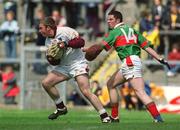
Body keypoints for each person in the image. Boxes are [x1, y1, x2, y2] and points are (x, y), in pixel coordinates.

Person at [83, 10, 170, 123]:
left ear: (118, 20)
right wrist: (160, 58)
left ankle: (158, 118)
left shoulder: (115, 32)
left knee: (140, 92)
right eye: (107, 20)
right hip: (132, 61)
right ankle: (115, 117)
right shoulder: (132, 30)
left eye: (111, 19)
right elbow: (146, 46)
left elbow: (100, 46)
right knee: (111, 84)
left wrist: (85, 49)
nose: (108, 22)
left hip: (129, 62)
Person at [38, 17, 111, 123]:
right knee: (46, 83)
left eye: (41, 28)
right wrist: (52, 59)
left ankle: (104, 116)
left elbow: (81, 42)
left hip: (78, 64)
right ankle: (61, 107)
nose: (39, 31)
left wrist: (66, 44)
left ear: (48, 28)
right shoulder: (48, 41)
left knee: (86, 91)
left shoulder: (65, 31)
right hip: (63, 66)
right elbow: (55, 62)